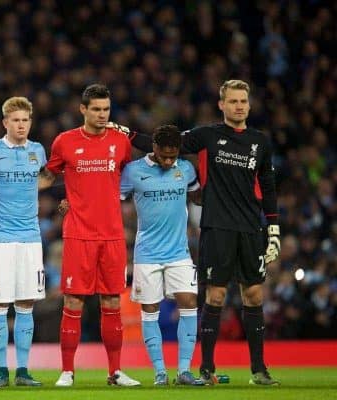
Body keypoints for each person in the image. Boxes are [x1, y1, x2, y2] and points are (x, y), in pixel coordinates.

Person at [113, 79, 281, 385]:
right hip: (217, 226)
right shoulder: (207, 135)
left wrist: (273, 225)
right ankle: (206, 367)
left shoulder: (261, 142)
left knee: (254, 295)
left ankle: (259, 369)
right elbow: (166, 143)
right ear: (222, 104)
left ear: (249, 104)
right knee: (214, 296)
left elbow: (267, 186)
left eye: (243, 101)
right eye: (233, 101)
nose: (239, 106)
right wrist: (129, 133)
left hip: (250, 227)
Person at [40, 84, 140, 387]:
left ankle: (115, 372)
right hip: (79, 235)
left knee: (111, 302)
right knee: (73, 303)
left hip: (111, 235)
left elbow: (123, 179)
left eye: (106, 110)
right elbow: (47, 177)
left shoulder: (120, 142)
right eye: (95, 109)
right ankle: (67, 371)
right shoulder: (65, 142)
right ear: (83, 109)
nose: (101, 115)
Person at [120, 125, 204, 386]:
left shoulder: (186, 169)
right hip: (147, 254)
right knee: (149, 309)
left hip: (179, 252)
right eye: (164, 156)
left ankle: (184, 371)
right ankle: (159, 371)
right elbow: (113, 199)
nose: (169, 161)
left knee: (189, 302)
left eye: (173, 156)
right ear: (153, 148)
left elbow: (197, 195)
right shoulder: (133, 171)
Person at [0, 97, 46, 387]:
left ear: (30, 122)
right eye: (16, 120)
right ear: (5, 122)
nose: (21, 125)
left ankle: (22, 370)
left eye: (25, 120)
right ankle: (0, 371)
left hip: (30, 238)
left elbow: (44, 180)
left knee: (26, 303)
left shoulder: (37, 151)